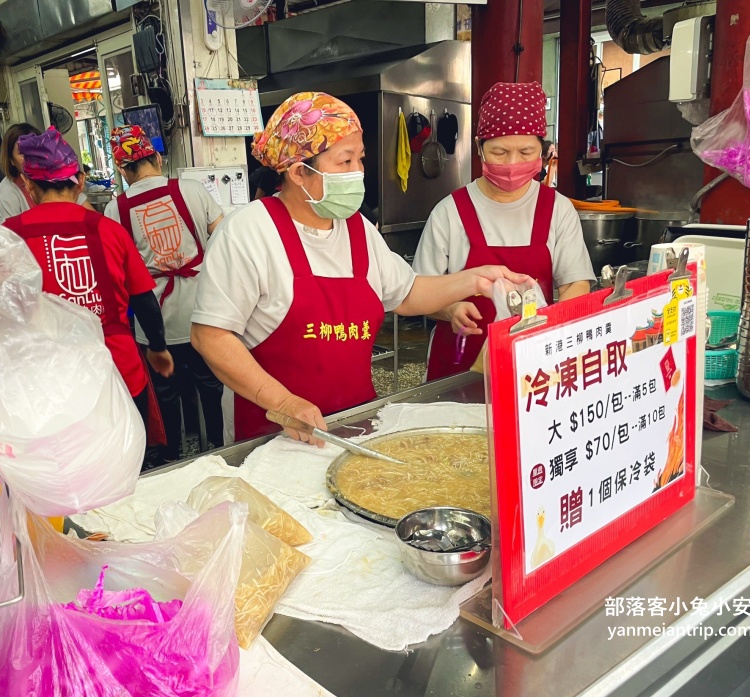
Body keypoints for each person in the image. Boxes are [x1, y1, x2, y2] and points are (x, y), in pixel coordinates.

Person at [191, 91, 531, 445]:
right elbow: (210, 336)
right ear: (298, 172)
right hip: (271, 435)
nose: (358, 173)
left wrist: (478, 278)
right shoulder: (248, 232)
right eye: (345, 162)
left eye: (361, 159)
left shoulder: (358, 229)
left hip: (356, 426)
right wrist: (281, 401)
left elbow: (408, 294)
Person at [2, 127, 174, 466]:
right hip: (117, 367)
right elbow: (144, 300)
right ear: (80, 180)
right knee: (126, 462)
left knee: (70, 465)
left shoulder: (8, 234)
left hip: (47, 374)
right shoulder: (107, 229)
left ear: (29, 185)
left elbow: (1, 310)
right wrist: (157, 348)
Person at [413, 81, 594, 382]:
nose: (512, 164)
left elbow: (576, 285)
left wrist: (552, 330)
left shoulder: (557, 209)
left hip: (535, 368)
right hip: (460, 365)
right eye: (499, 152)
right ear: (479, 149)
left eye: (526, 152)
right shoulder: (450, 211)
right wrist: (449, 308)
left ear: (544, 151)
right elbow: (420, 291)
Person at [104, 125, 226, 461]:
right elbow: (221, 236)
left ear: (123, 170)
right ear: (157, 157)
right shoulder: (191, 189)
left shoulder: (116, 210)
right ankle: (216, 446)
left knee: (166, 392)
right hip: (202, 310)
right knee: (210, 384)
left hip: (153, 317)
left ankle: (173, 455)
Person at [0, 123, 90, 221]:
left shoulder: (61, 180)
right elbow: (10, 234)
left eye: (36, 152)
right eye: (22, 154)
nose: (30, 158)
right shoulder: (6, 193)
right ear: (11, 160)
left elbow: (91, 217)